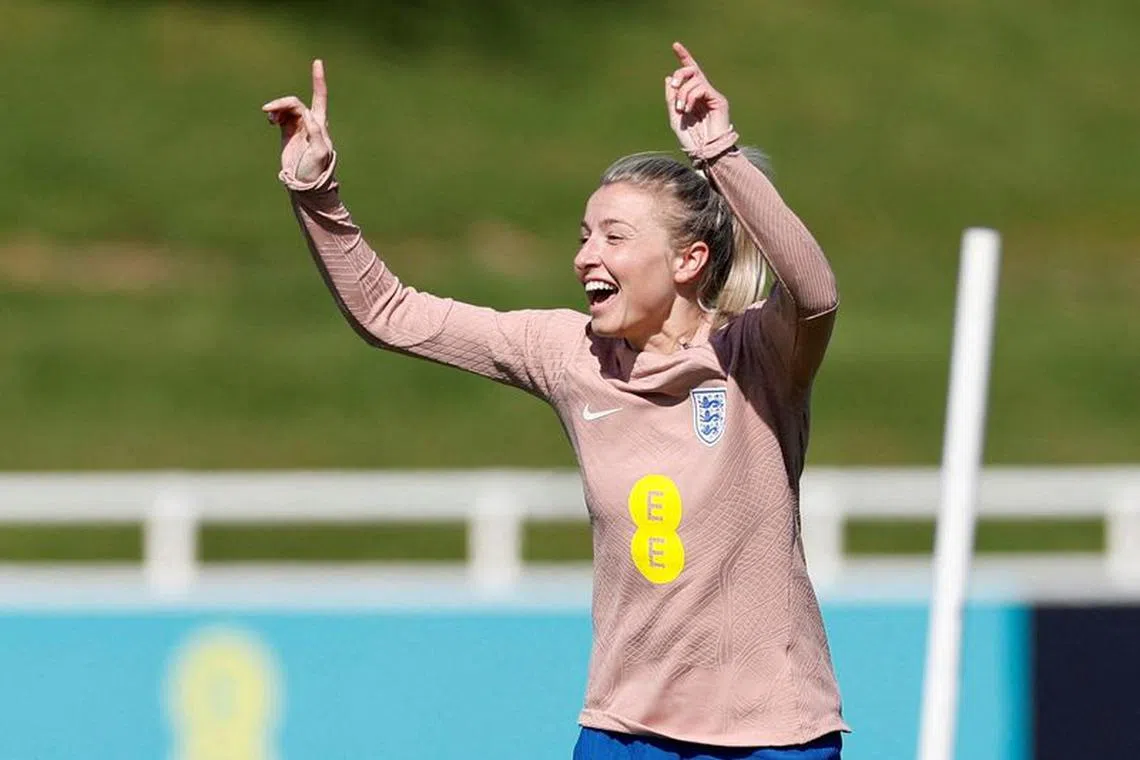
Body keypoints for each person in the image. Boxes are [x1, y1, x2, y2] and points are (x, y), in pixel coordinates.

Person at [263, 42, 847, 760]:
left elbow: (815, 294)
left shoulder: (758, 357)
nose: (584, 257)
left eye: (614, 237)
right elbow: (391, 313)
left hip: (774, 735)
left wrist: (719, 154)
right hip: (625, 732)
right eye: (582, 236)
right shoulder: (569, 353)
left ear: (689, 261)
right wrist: (317, 195)